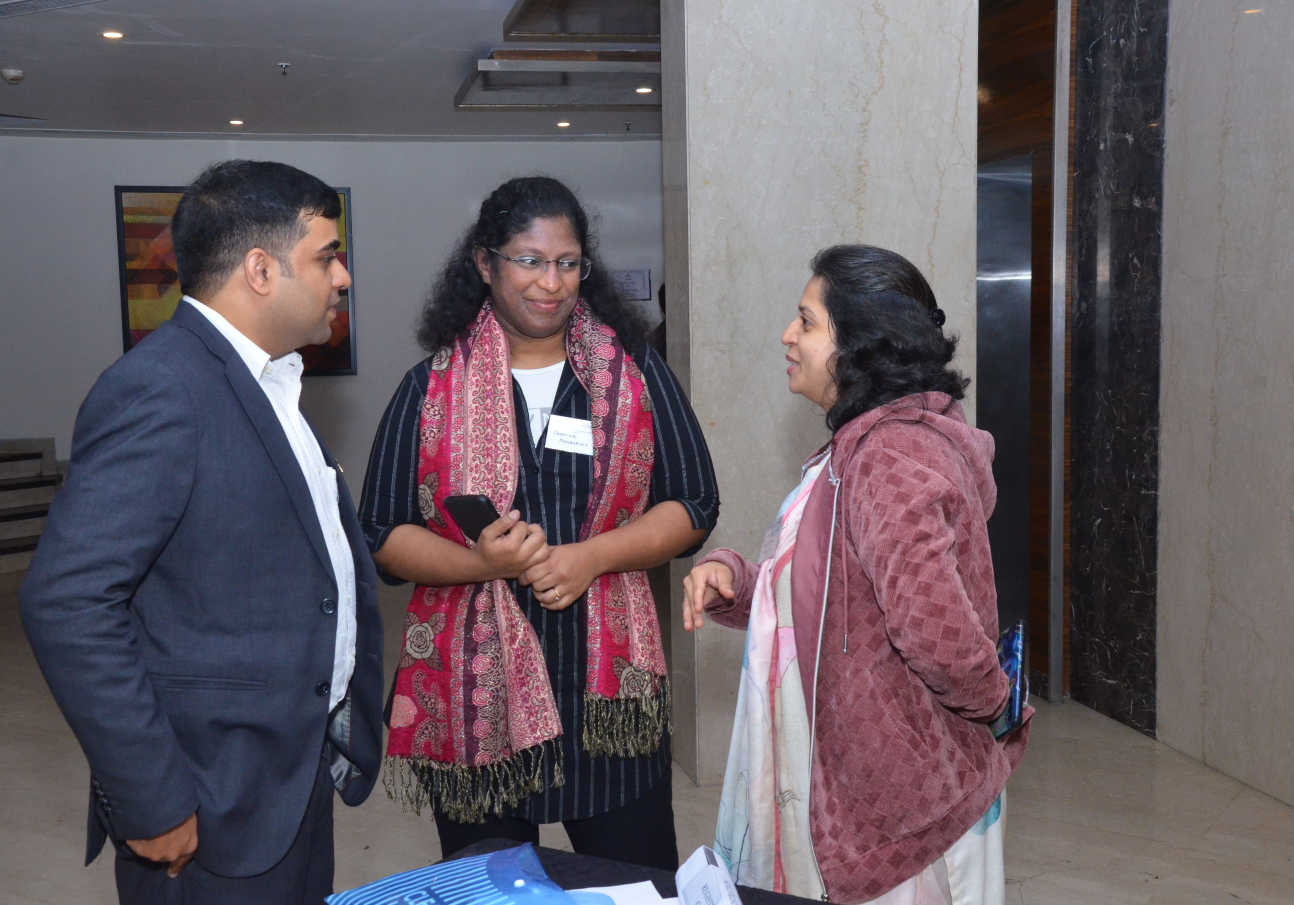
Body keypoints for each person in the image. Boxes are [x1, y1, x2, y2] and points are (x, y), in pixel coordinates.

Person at [19, 159, 384, 905]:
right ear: (261, 269)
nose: (343, 277)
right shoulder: (162, 387)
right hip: (206, 803)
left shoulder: (267, 380)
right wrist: (150, 796)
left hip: (286, 782)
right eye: (327, 256)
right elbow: (68, 601)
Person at [359, 175, 718, 869]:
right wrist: (479, 564)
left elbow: (695, 502)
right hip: (477, 703)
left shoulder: (635, 373)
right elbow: (381, 532)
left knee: (635, 882)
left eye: (567, 262)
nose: (550, 283)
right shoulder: (429, 386)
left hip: (608, 703)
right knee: (494, 886)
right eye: (529, 260)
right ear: (485, 263)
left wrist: (592, 557)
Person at [682, 245, 1031, 905]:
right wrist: (736, 580)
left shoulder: (888, 453)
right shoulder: (865, 444)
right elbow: (836, 595)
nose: (788, 335)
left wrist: (996, 707)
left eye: (807, 321)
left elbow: (939, 636)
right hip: (882, 790)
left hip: (903, 812)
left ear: (861, 343)